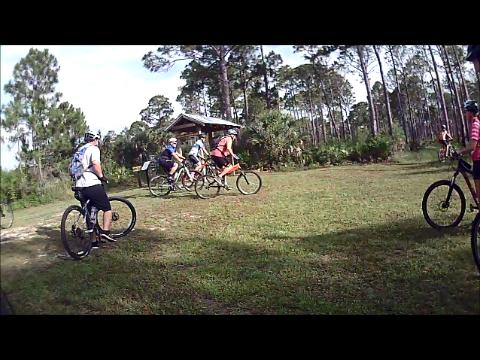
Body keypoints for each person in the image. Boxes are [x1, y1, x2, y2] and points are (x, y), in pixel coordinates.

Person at [74, 132, 115, 248]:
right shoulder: (94, 149)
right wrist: (102, 177)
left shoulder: (79, 151)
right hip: (91, 183)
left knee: (89, 212)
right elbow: (96, 164)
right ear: (95, 139)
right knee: (107, 209)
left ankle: (93, 242)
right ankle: (105, 233)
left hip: (79, 186)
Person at [458, 100, 480, 204]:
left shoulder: (475, 124)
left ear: (470, 112)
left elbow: (472, 146)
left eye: (466, 111)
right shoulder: (476, 123)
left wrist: (460, 152)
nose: (465, 114)